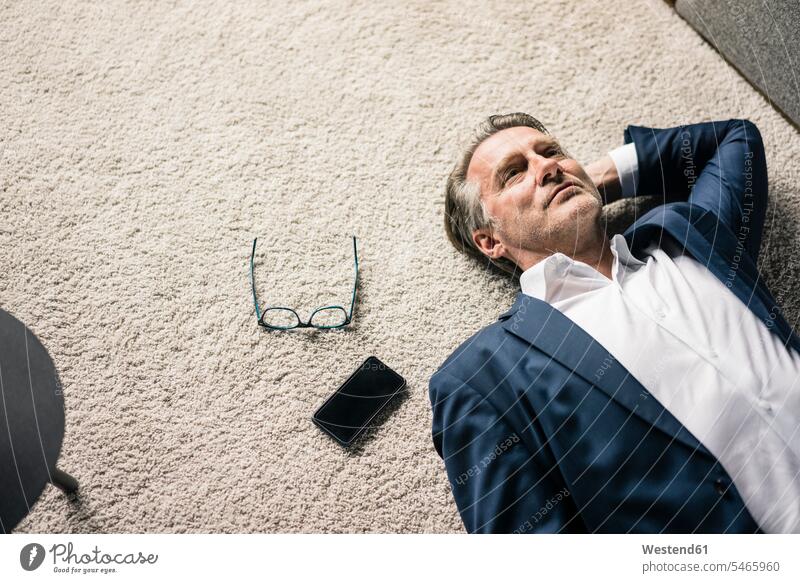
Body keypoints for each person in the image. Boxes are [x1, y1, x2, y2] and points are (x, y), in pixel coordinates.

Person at [429, 113, 800, 533]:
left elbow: (734, 140)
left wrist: (586, 180)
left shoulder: (683, 231)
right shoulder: (481, 376)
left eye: (551, 152)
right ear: (490, 240)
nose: (548, 165)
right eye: (514, 173)